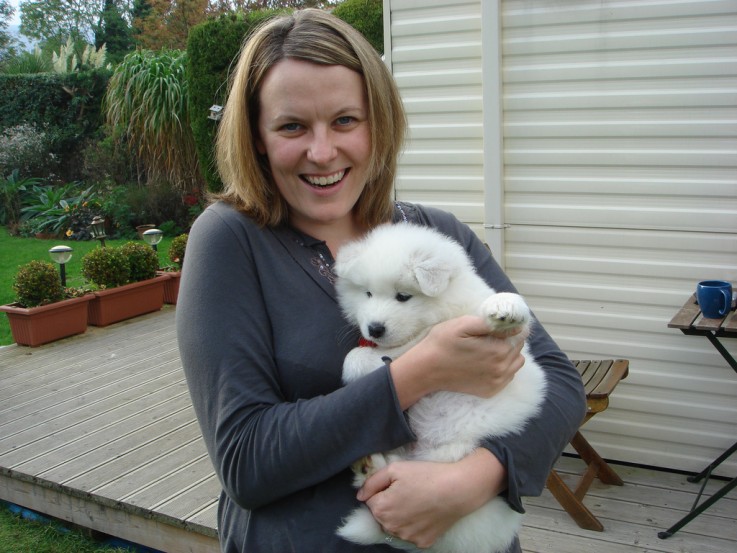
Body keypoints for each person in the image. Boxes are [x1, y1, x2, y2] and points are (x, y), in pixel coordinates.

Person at [176, 8, 586, 553]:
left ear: (379, 123)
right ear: (256, 136)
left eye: (345, 120)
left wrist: (473, 479)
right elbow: (246, 460)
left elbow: (559, 382)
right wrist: (415, 373)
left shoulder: (435, 234)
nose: (322, 152)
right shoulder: (231, 240)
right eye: (292, 126)